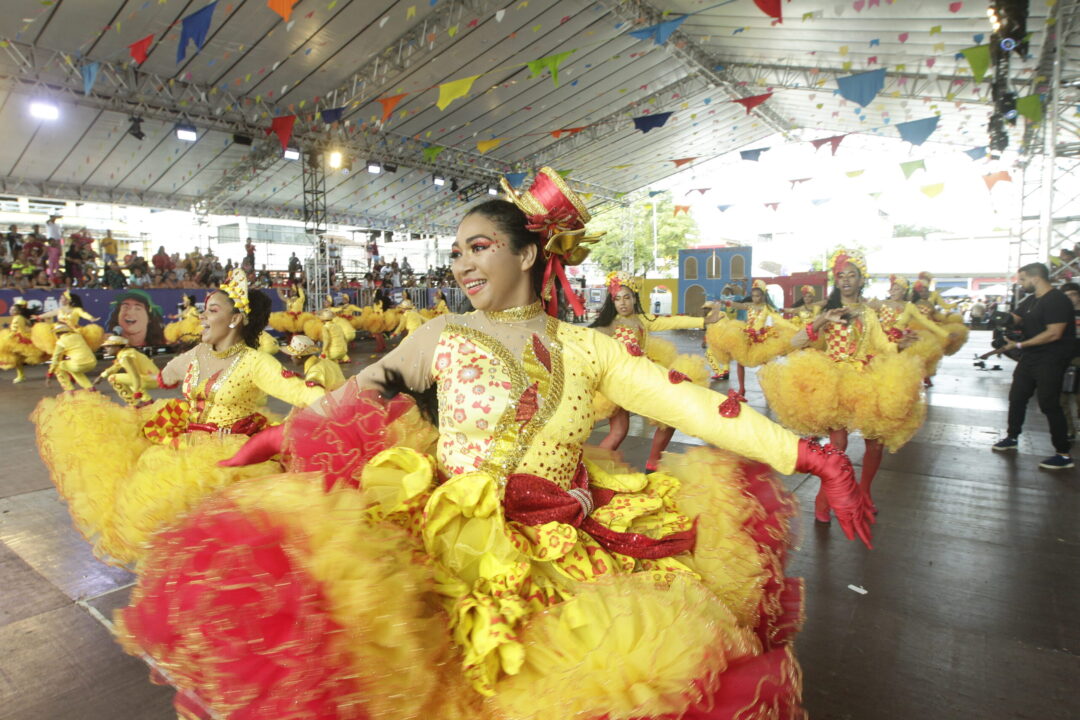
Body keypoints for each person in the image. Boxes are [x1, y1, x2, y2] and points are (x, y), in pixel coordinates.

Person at [114, 168, 872, 720]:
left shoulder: (592, 348)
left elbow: (697, 406)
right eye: (455, 254)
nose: (463, 265)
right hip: (446, 537)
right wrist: (280, 436)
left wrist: (813, 457)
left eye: (478, 247)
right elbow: (357, 392)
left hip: (566, 548)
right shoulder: (441, 334)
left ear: (530, 255)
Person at [32, 269, 328, 569]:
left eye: (212, 311)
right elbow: (159, 378)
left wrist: (349, 402)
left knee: (231, 552)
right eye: (203, 310)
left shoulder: (255, 361)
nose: (202, 317)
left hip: (234, 457)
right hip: (183, 449)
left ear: (235, 319)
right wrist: (127, 375)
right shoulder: (196, 353)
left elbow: (299, 392)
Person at [759, 249, 927, 520]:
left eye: (852, 275)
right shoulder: (827, 311)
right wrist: (823, 320)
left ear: (862, 280)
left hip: (864, 379)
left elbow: (882, 346)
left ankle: (865, 493)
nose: (846, 280)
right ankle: (824, 500)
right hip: (834, 380)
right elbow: (796, 342)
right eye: (841, 276)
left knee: (876, 441)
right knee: (838, 442)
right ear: (836, 281)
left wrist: (899, 346)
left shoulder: (870, 314)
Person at [590, 270, 719, 470]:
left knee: (630, 428)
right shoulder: (607, 325)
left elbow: (672, 321)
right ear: (612, 302)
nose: (622, 303)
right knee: (629, 428)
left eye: (627, 297)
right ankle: (597, 472)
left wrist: (704, 321)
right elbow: (588, 343)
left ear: (634, 298)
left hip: (639, 379)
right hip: (620, 383)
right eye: (617, 299)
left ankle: (649, 464)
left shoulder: (644, 320)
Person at [992, 263, 1078, 469]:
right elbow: (1018, 317)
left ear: (1035, 278)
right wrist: (1003, 318)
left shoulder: (1057, 300)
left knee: (1049, 404)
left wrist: (1020, 344)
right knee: (1017, 397)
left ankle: (1063, 454)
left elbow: (1054, 333)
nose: (1020, 284)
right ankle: (1012, 437)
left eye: (1022, 280)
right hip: (1030, 358)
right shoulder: (1032, 300)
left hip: (1051, 358)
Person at [706, 278, 797, 396]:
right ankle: (742, 389)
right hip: (747, 335)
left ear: (763, 295)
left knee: (766, 364)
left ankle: (769, 388)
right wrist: (724, 302)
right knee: (740, 361)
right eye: (753, 296)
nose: (755, 298)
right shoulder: (749, 305)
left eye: (758, 296)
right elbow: (737, 305)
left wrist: (794, 329)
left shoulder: (767, 308)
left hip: (761, 338)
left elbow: (779, 320)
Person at [31, 290, 105, 354]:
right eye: (61, 298)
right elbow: (50, 313)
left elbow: (83, 314)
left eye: (62, 298)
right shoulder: (60, 310)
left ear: (69, 300)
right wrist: (38, 317)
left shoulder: (76, 310)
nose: (60, 300)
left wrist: (91, 318)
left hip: (72, 330)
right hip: (59, 330)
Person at [95, 335, 159, 406]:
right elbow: (115, 367)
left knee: (113, 378)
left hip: (149, 380)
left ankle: (135, 404)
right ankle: (147, 401)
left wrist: (136, 392)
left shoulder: (125, 357)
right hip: (154, 379)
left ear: (117, 347)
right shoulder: (126, 353)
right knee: (128, 381)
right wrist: (101, 376)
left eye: (109, 346)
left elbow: (135, 376)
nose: (106, 349)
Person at [0, 299, 46, 383]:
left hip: (17, 339)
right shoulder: (17, 317)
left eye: (13, 309)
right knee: (17, 358)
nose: (11, 310)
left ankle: (21, 375)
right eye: (11, 309)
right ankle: (20, 375)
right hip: (14, 338)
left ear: (19, 310)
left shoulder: (19, 318)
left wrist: (20, 339)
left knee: (18, 358)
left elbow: (22, 331)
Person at [280, 334, 346, 390]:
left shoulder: (314, 372)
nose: (291, 358)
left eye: (292, 355)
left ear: (299, 356)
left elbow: (315, 396)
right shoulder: (326, 361)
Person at [46, 323, 96, 391]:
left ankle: (69, 389)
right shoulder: (78, 336)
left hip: (78, 364)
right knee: (73, 369)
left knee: (58, 366)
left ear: (58, 334)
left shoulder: (61, 342)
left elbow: (55, 359)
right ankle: (90, 388)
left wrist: (50, 373)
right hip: (92, 363)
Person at [1059, 282, 1080, 439]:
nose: (1070, 298)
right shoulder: (1060, 314)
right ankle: (1068, 430)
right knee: (1062, 397)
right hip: (1063, 358)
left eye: (1073, 294)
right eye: (1066, 296)